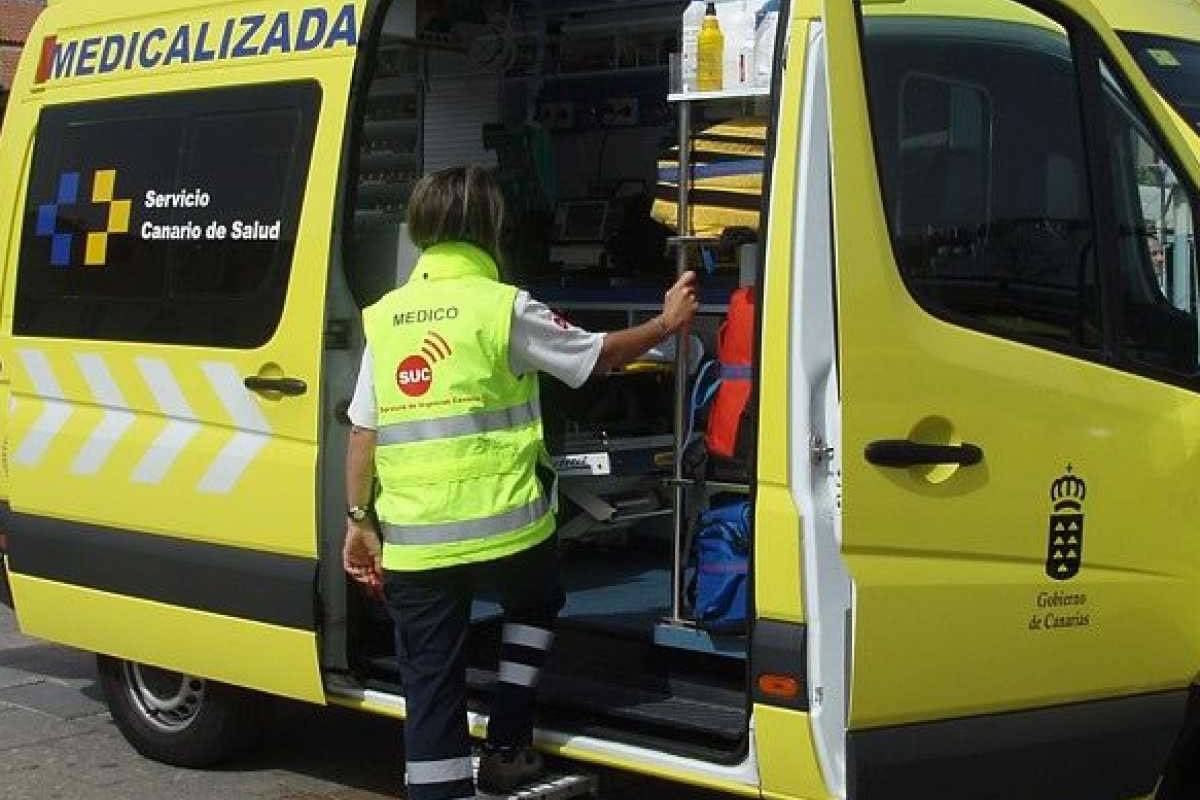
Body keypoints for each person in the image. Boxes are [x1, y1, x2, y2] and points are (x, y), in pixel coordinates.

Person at [342, 165, 699, 800]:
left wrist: (357, 522)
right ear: (492, 226)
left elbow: (363, 434)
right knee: (536, 600)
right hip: (508, 532)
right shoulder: (504, 306)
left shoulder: (386, 318)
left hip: (416, 542)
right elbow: (597, 356)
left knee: (430, 682)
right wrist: (665, 324)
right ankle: (507, 743)